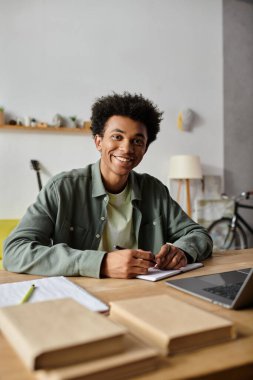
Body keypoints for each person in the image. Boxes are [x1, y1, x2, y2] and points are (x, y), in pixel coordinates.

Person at [3, 92, 212, 278]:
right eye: (117, 137)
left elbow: (200, 235)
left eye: (137, 141)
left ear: (145, 148)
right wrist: (101, 263)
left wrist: (183, 252)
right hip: (81, 302)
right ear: (98, 141)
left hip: (147, 298)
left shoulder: (154, 190)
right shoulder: (62, 189)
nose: (126, 148)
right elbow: (15, 250)